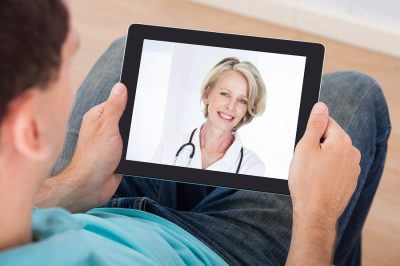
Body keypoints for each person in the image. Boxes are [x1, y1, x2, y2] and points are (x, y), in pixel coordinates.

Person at [0, 0, 391, 265]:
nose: (231, 107)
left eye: (242, 101)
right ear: (29, 129)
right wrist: (319, 216)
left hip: (89, 209)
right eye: (69, 63)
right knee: (356, 92)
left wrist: (74, 184)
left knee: (126, 54)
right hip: (211, 250)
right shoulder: (173, 143)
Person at [152, 57, 267, 176]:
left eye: (242, 101)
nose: (231, 106)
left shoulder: (251, 167)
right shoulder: (169, 147)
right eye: (225, 94)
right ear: (207, 94)